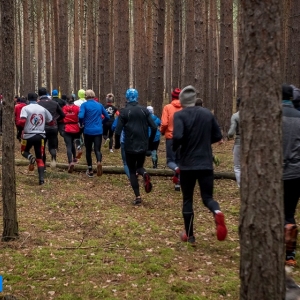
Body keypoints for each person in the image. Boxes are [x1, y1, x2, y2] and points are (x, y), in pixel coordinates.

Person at [173, 85, 227, 246]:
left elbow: (177, 137)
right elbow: (218, 136)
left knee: (188, 199)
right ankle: (217, 211)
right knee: (207, 197)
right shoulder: (207, 114)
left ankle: (189, 235)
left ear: (182, 101)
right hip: (206, 163)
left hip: (188, 164)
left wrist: (176, 147)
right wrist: (203, 143)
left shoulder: (180, 115)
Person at [114, 88, 157, 205]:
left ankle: (138, 197)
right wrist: (150, 142)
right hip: (143, 145)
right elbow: (154, 127)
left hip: (129, 146)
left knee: (132, 171)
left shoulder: (124, 112)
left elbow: (117, 132)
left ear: (126, 98)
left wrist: (117, 144)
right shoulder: (144, 110)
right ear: (137, 97)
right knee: (140, 167)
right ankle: (144, 174)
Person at [282, 84, 300, 267]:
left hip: (274, 172)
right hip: (296, 172)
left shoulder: (272, 116)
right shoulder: (299, 116)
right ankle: (290, 254)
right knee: (289, 213)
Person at [19, 92, 53, 185]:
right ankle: (41, 180)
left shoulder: (25, 108)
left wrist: (21, 128)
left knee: (23, 151)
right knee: (40, 158)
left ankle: (30, 157)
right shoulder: (43, 109)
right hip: (40, 136)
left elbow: (22, 121)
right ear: (37, 98)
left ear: (28, 99)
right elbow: (51, 121)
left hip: (28, 135)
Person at [78, 89, 109, 178]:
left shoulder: (84, 105)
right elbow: (107, 116)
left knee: (88, 150)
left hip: (88, 130)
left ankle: (90, 170)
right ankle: (99, 161)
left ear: (86, 96)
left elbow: (80, 116)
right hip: (98, 130)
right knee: (97, 149)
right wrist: (101, 122)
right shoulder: (99, 105)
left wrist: (81, 123)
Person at [38, 87, 65, 168]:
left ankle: (43, 165)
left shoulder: (38, 104)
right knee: (52, 147)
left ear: (39, 94)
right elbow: (63, 115)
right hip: (53, 127)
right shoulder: (54, 103)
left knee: (42, 147)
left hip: (42, 128)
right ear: (46, 93)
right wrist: (56, 120)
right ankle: (53, 158)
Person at [161, 88, 182, 191]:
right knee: (179, 160)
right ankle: (178, 183)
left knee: (170, 161)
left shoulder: (167, 107)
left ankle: (177, 171)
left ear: (172, 97)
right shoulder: (185, 108)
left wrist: (162, 131)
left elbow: (164, 123)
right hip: (182, 138)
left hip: (171, 137)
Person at [62, 95, 81, 173]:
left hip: (67, 127)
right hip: (75, 127)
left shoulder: (64, 108)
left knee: (69, 145)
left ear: (66, 100)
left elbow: (61, 116)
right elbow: (80, 116)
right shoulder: (77, 108)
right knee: (73, 142)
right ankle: (75, 157)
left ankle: (70, 162)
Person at [227, 98, 241, 187]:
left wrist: (229, 136)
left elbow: (231, 133)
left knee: (237, 166)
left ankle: (241, 185)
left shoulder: (236, 116)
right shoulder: (253, 115)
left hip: (239, 143)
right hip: (252, 143)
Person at [74, 89, 86, 158]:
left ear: (78, 94)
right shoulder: (87, 102)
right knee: (86, 135)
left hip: (78, 121)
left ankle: (78, 147)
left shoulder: (75, 103)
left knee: (77, 135)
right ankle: (89, 147)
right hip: (86, 121)